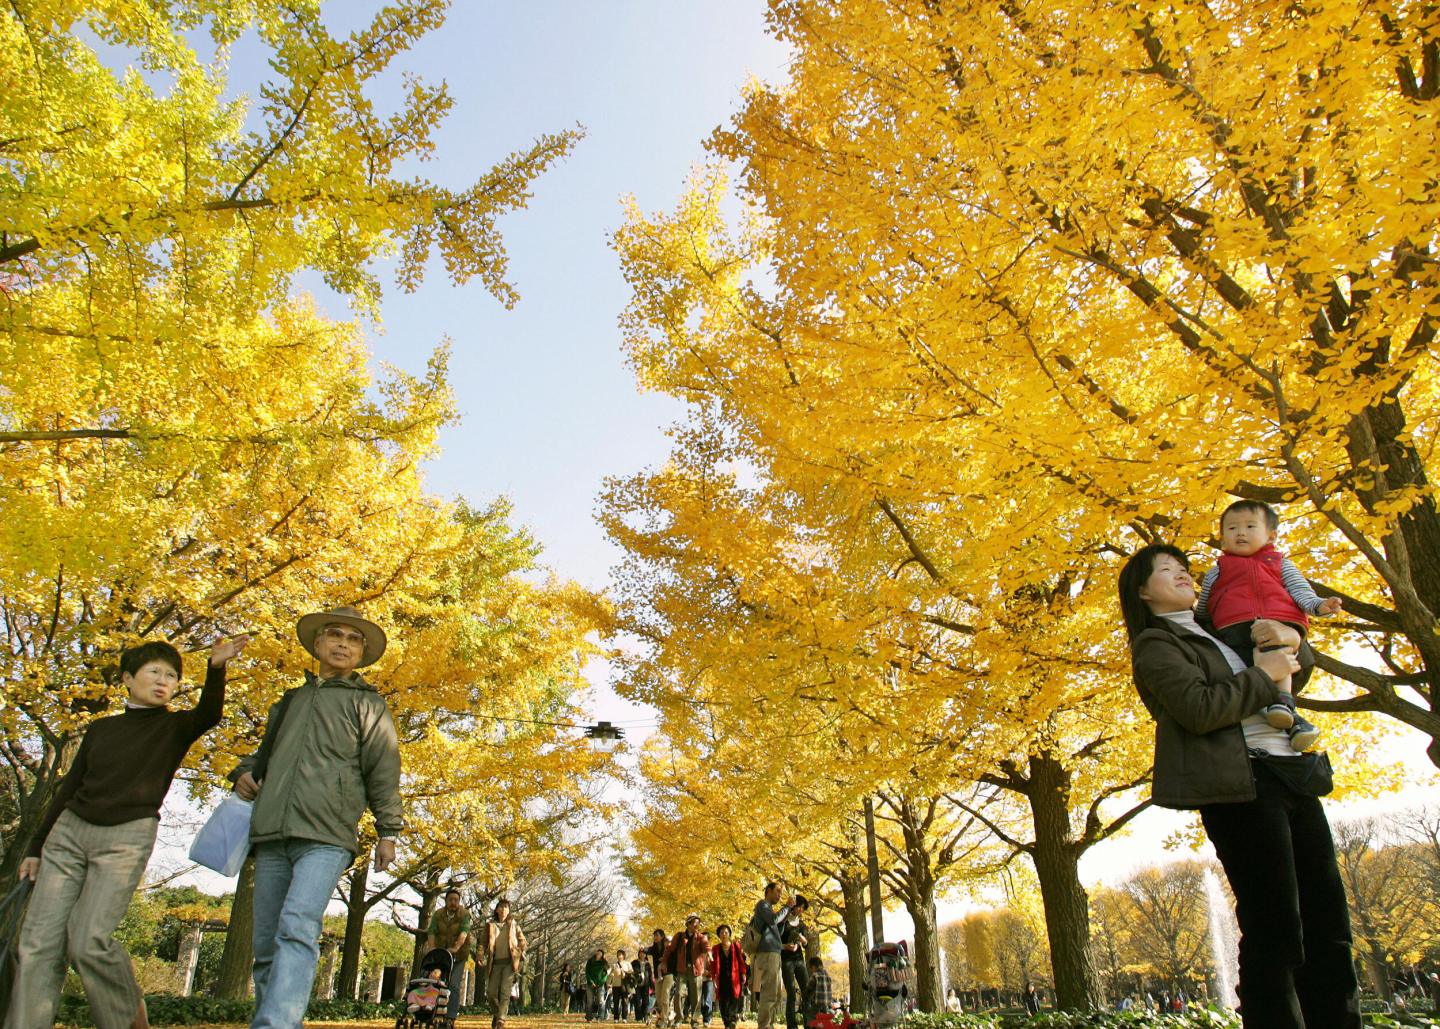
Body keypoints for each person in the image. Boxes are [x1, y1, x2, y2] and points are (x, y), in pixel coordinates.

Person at [1121, 543, 1361, 1028]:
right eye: (1166, 571)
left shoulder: (1222, 629)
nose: (1184, 575)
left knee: (1328, 923)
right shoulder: (1156, 645)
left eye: (1185, 568)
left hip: (1291, 775)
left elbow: (1290, 673)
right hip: (1240, 787)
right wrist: (1262, 674)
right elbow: (1198, 709)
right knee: (1276, 928)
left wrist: (1291, 639)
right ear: (1143, 592)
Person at [6, 635, 249, 1029]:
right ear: (127, 679)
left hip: (126, 838)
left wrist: (216, 667)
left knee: (88, 941)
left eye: (171, 676)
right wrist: (36, 846)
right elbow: (67, 789)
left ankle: (126, 1014)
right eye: (154, 672)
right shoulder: (101, 730)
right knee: (37, 945)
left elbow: (209, 713)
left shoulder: (175, 725)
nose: (163, 680)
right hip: (68, 835)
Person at [230, 606, 400, 1029]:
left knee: (297, 925)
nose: (343, 643)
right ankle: (275, 1018)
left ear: (361, 652)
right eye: (335, 635)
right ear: (318, 645)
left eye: (353, 639)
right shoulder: (290, 701)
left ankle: (275, 1025)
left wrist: (388, 830)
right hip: (271, 832)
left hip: (327, 834)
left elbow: (384, 768)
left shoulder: (369, 704)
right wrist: (242, 773)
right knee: (267, 944)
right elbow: (265, 753)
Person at [1196, 501, 1341, 750]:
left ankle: (1283, 703)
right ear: (1222, 540)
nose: (1240, 533)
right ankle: (1291, 721)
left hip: (1279, 621)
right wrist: (1196, 623)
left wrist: (1320, 606)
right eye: (1231, 529)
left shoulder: (1280, 564)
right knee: (1255, 670)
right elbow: (1204, 607)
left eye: (1250, 526)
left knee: (1273, 648)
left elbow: (1301, 593)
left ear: (1270, 535)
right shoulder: (1216, 571)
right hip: (1233, 628)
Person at [749, 882, 798, 1029]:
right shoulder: (762, 905)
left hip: (774, 953)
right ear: (768, 891)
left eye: (781, 893)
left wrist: (785, 916)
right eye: (777, 891)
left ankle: (768, 1024)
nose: (779, 895)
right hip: (768, 954)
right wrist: (787, 907)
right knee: (769, 994)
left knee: (775, 994)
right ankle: (764, 1026)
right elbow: (772, 920)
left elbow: (776, 929)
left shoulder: (769, 909)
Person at [482, 898, 527, 1029]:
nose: (503, 909)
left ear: (509, 910)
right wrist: (480, 955)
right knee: (490, 993)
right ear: (496, 910)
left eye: (506, 907)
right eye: (501, 907)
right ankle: (497, 1013)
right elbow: (483, 943)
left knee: (505, 992)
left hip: (509, 964)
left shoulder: (513, 924)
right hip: (495, 963)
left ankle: (501, 1020)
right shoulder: (490, 925)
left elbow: (522, 940)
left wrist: (519, 950)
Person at [426, 888, 472, 1004]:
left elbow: (464, 932)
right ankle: (434, 1009)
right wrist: (432, 948)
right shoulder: (438, 914)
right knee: (436, 982)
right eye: (451, 900)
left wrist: (456, 947)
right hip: (441, 954)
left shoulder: (465, 914)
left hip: (459, 955)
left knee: (454, 985)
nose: (453, 902)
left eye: (456, 900)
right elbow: (432, 931)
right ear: (446, 901)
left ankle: (450, 1017)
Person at [666, 915, 709, 1027]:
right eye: (695, 923)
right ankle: (678, 1019)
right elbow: (670, 949)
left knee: (696, 997)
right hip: (682, 970)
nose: (697, 925)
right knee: (678, 994)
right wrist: (663, 961)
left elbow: (706, 947)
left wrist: (708, 952)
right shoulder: (679, 936)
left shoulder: (701, 937)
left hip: (696, 971)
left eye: (698, 923)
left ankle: (694, 1021)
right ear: (688, 924)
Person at [710, 924, 749, 1029]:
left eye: (726, 932)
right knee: (723, 1001)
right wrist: (714, 978)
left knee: (734, 999)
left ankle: (732, 1021)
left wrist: (743, 973)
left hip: (734, 978)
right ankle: (726, 1022)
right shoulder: (715, 948)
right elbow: (713, 965)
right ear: (719, 935)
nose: (724, 934)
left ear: (729, 934)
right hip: (721, 978)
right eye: (721, 932)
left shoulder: (736, 946)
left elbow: (741, 961)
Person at [780, 896, 811, 1029]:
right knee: (791, 993)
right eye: (800, 907)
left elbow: (806, 945)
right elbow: (775, 942)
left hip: (799, 960)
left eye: (803, 908)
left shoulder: (802, 924)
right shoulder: (783, 921)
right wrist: (785, 946)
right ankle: (791, 1025)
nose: (801, 910)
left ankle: (809, 1023)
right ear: (794, 906)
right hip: (786, 960)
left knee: (807, 991)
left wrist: (803, 942)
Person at [803, 957, 832, 1026]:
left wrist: (804, 996)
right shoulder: (827, 975)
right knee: (824, 1020)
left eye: (811, 968)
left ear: (813, 967)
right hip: (826, 1004)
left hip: (817, 1003)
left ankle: (810, 1027)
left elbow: (809, 989)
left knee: (811, 1017)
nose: (811, 970)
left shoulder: (815, 975)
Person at [586, 949, 611, 1022]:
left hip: (600, 984)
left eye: (600, 954)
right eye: (597, 953)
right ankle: (589, 1017)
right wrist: (591, 982)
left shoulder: (604, 963)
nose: (598, 955)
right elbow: (587, 972)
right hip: (590, 984)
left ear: (602, 955)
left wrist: (600, 982)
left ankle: (600, 1017)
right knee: (589, 1001)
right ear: (595, 953)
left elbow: (606, 974)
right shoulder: (590, 961)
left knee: (601, 1001)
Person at [608, 949, 630, 1022]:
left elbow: (631, 973)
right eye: (618, 954)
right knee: (616, 1002)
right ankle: (616, 1018)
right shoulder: (614, 965)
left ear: (623, 955)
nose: (619, 956)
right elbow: (610, 974)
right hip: (615, 985)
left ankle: (624, 1018)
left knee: (625, 1002)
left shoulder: (627, 964)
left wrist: (625, 973)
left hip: (625, 985)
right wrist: (609, 983)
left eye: (621, 954)